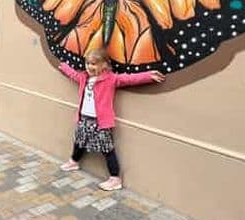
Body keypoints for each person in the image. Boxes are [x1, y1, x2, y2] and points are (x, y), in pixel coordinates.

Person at [58, 49, 165, 190]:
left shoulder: (110, 79)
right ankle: (74, 161)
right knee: (79, 141)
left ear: (104, 65)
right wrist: (64, 66)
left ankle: (115, 178)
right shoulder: (84, 78)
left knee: (107, 149)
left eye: (94, 64)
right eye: (88, 63)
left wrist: (148, 76)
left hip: (100, 122)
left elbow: (129, 78)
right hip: (84, 118)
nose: (89, 66)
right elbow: (73, 74)